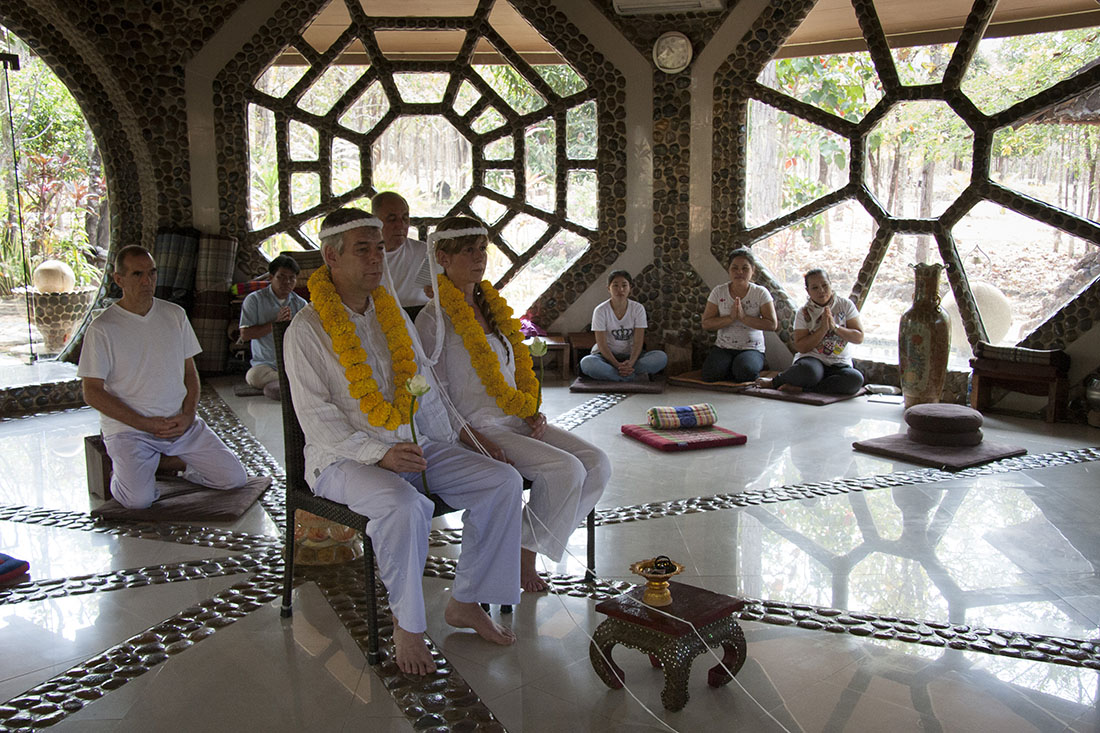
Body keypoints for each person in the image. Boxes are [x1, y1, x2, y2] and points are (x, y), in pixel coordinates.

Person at [284, 208, 523, 676]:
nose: (378, 258)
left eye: (380, 248)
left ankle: (467, 600)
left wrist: (462, 438)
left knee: (502, 481)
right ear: (331, 256)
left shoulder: (392, 317)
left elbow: (428, 390)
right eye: (363, 249)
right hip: (342, 460)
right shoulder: (307, 330)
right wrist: (379, 453)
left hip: (408, 442)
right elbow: (317, 420)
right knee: (405, 506)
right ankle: (408, 626)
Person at [416, 216, 610, 593]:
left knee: (597, 464)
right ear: (442, 256)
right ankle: (525, 558)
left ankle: (525, 540)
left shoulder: (492, 308)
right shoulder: (433, 319)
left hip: (513, 419)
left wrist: (528, 407)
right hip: (475, 428)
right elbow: (433, 395)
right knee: (565, 470)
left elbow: (512, 372)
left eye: (482, 248)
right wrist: (469, 436)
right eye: (468, 249)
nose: (479, 257)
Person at [78, 245, 248, 509]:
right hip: (129, 431)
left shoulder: (174, 315)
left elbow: (190, 374)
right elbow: (92, 392)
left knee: (234, 478)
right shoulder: (102, 328)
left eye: (152, 273)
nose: (147, 281)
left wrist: (189, 414)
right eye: (137, 274)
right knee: (138, 500)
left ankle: (164, 464)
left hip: (180, 425)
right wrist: (143, 423)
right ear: (118, 279)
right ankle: (125, 472)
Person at [756, 268, 865, 395]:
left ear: (831, 284)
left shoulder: (845, 305)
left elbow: (859, 337)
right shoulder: (804, 312)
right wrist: (823, 329)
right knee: (808, 372)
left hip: (839, 363)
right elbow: (802, 347)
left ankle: (805, 389)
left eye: (825, 285)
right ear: (808, 291)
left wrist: (834, 327)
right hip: (812, 360)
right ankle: (775, 382)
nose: (821, 290)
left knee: (855, 379)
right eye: (815, 288)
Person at [701, 248, 778, 382]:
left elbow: (772, 324)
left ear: (752, 271)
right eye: (735, 268)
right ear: (729, 270)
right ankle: (732, 366)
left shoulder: (760, 293)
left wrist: (743, 318)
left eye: (745, 268)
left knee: (745, 372)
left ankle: (741, 366)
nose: (739, 272)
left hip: (752, 348)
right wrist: (730, 318)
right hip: (723, 347)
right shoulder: (718, 292)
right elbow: (706, 323)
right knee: (710, 374)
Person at [239, 253, 307, 399]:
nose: (287, 282)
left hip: (292, 362)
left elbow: (306, 336)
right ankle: (292, 381)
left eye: (291, 278)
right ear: (271, 278)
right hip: (266, 365)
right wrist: (275, 324)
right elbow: (245, 335)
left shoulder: (300, 304)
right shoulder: (254, 300)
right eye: (281, 277)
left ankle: (287, 381)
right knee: (254, 377)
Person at [580, 269, 668, 382]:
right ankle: (632, 377)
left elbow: (638, 341)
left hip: (633, 357)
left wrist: (631, 363)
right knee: (587, 363)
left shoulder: (638, 309)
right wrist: (617, 365)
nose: (620, 290)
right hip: (606, 357)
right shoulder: (600, 310)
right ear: (609, 288)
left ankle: (618, 376)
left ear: (630, 288)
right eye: (615, 286)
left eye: (624, 285)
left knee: (661, 357)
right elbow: (601, 344)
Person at [371, 190, 430, 307]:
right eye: (392, 219)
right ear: (375, 221)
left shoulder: (425, 252)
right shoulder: (364, 257)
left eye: (405, 218)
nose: (400, 225)